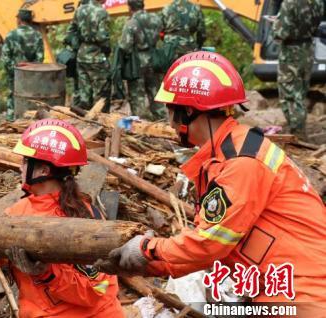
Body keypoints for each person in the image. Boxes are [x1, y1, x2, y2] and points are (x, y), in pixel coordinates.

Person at [98, 51, 326, 313]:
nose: (169, 122)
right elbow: (209, 246)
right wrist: (146, 262)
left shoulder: (241, 162)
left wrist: (148, 250)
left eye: (171, 111)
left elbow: (209, 243)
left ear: (188, 112)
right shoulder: (228, 155)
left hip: (303, 296)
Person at [0, 119, 125, 317]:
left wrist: (46, 273)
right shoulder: (18, 213)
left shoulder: (87, 220)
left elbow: (96, 291)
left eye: (26, 161)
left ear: (43, 171)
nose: (20, 167)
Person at [273, 0, 323, 139]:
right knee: (300, 90)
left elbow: (280, 33)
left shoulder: (289, 3)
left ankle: (298, 133)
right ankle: (299, 128)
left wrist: (275, 23)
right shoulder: (318, 2)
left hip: (291, 52)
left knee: (289, 92)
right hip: (307, 49)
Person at [118, 0, 165, 120]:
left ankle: (141, 126)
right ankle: (164, 122)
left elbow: (125, 46)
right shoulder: (156, 19)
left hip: (136, 64)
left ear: (130, 7)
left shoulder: (131, 23)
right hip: (154, 61)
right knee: (156, 94)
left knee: (137, 97)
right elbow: (163, 34)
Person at [1, 8, 44, 121]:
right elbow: (40, 58)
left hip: (15, 74)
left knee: (13, 97)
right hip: (31, 76)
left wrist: (13, 71)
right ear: (30, 20)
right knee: (31, 98)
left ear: (19, 19)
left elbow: (6, 57)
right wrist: (32, 71)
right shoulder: (37, 35)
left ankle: (11, 121)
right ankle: (30, 120)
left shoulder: (11, 35)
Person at [72, 0, 112, 111]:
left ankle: (83, 119)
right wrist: (107, 50)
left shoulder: (79, 10)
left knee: (85, 93)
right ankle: (100, 121)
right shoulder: (101, 12)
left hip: (81, 55)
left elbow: (71, 32)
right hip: (97, 56)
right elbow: (102, 37)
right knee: (101, 94)